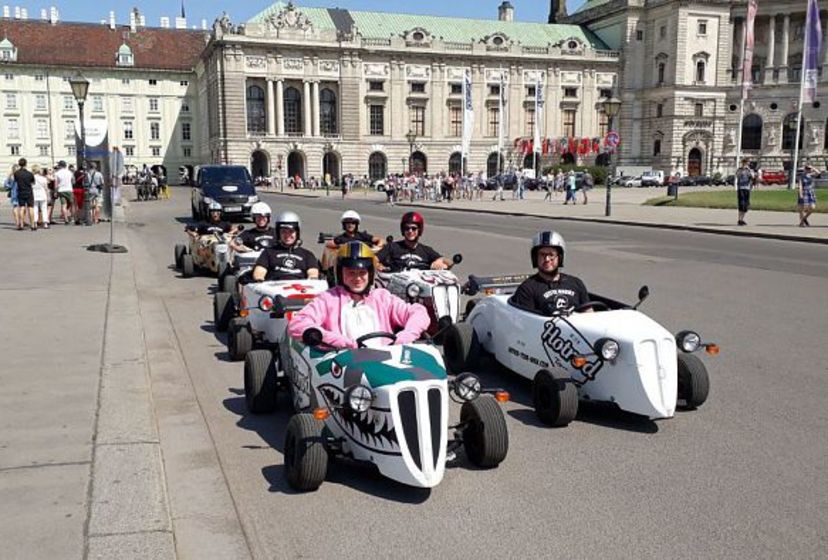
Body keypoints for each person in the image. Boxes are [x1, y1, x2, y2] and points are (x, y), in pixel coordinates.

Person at [288, 241, 430, 349]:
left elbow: (419, 312)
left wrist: (405, 336)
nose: (357, 278)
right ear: (340, 273)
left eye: (362, 272)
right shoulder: (328, 299)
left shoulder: (382, 298)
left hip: (386, 362)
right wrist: (334, 339)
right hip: (343, 366)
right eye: (351, 272)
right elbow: (298, 323)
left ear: (370, 274)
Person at [510, 231, 591, 315]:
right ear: (535, 258)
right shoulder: (527, 288)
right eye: (542, 255)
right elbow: (526, 319)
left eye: (551, 255)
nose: (547, 259)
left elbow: (589, 314)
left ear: (560, 257)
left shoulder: (576, 283)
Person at [252, 210, 320, 281]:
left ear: (297, 233)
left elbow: (313, 273)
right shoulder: (268, 253)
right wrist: (259, 279)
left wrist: (312, 279)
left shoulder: (307, 255)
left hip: (300, 286)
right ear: (278, 234)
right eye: (283, 232)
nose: (287, 235)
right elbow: (259, 272)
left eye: (291, 231)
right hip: (274, 286)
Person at [377, 212, 453, 272]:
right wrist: (377, 265)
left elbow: (448, 262)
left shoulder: (426, 250)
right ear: (403, 230)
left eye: (414, 228)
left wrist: (440, 262)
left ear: (419, 230)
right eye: (407, 228)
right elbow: (374, 258)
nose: (410, 231)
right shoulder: (392, 247)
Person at [13, 158, 36, 231]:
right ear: (26, 164)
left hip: (20, 191)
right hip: (29, 191)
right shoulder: (30, 173)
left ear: (19, 164)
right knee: (30, 207)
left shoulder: (16, 173)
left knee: (22, 207)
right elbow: (33, 182)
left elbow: (16, 181)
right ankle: (32, 225)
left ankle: (21, 224)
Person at [735, 160, 754, 226]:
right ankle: (739, 219)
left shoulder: (749, 170)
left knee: (746, 204)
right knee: (741, 204)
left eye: (746, 163)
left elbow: (752, 177)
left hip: (747, 188)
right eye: (744, 163)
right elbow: (737, 176)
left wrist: (749, 170)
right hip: (741, 188)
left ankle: (741, 219)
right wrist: (743, 169)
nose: (745, 164)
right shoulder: (739, 170)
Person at [31, 164, 50, 229]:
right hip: (42, 194)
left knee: (35, 208)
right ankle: (45, 223)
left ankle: (35, 222)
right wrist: (48, 195)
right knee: (44, 209)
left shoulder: (31, 178)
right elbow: (46, 188)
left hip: (34, 194)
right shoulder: (43, 178)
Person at [4, 164, 22, 230]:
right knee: (22, 207)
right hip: (21, 193)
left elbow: (6, 185)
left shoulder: (11, 176)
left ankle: (17, 222)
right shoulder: (21, 176)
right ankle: (21, 222)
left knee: (15, 207)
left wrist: (11, 187)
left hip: (14, 193)